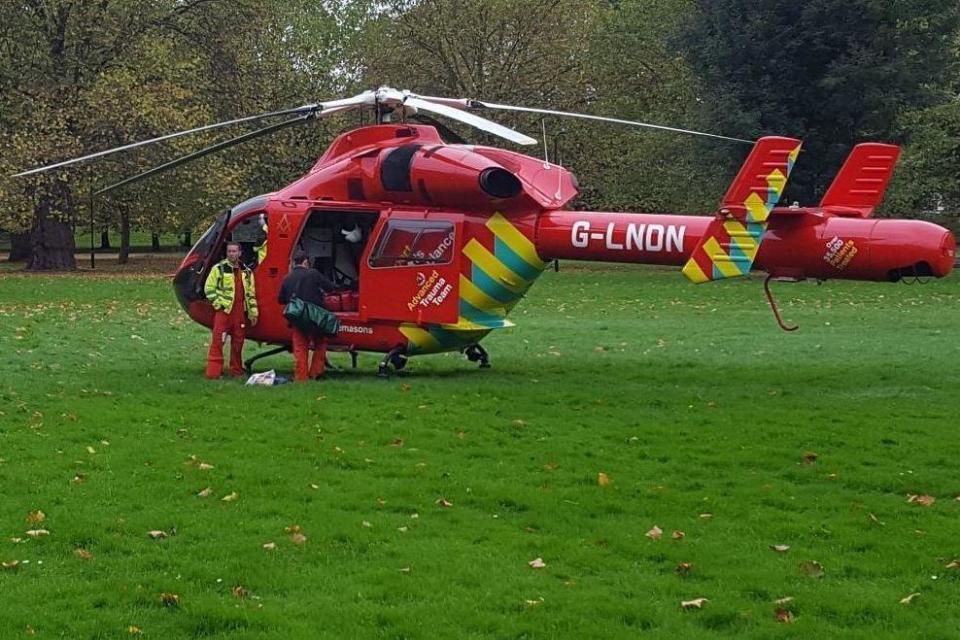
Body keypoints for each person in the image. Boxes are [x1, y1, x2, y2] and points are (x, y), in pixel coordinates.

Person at [278, 250, 336, 381]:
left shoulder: (287, 278)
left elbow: (281, 299)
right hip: (315, 317)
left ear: (293, 263)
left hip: (298, 318)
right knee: (320, 344)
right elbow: (330, 287)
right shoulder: (313, 274)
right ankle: (316, 372)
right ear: (306, 262)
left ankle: (301, 377)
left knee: (300, 348)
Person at [204, 242, 258, 379]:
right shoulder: (219, 268)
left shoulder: (246, 271)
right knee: (218, 341)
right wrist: (218, 305)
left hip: (240, 313)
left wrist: (253, 313)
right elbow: (209, 288)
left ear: (240, 253)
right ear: (227, 253)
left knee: (238, 343)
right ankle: (213, 373)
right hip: (224, 312)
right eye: (229, 251)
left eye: (234, 251)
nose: (232, 254)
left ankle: (236, 371)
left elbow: (251, 294)